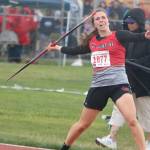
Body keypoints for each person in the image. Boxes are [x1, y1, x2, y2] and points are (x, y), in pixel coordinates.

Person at [47, 8, 150, 150]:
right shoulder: (92, 42)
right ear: (95, 24)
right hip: (99, 87)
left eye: (103, 18)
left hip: (119, 86)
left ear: (107, 21)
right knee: (83, 125)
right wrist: (57, 48)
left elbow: (136, 37)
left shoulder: (119, 35)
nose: (101, 20)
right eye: (97, 19)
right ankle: (65, 147)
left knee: (132, 121)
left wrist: (146, 35)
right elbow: (75, 50)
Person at [95, 8, 150, 150]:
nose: (129, 24)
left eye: (132, 21)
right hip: (129, 81)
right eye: (127, 22)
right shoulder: (127, 37)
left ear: (139, 22)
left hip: (145, 84)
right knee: (119, 108)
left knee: (147, 116)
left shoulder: (147, 37)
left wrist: (135, 62)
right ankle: (111, 139)